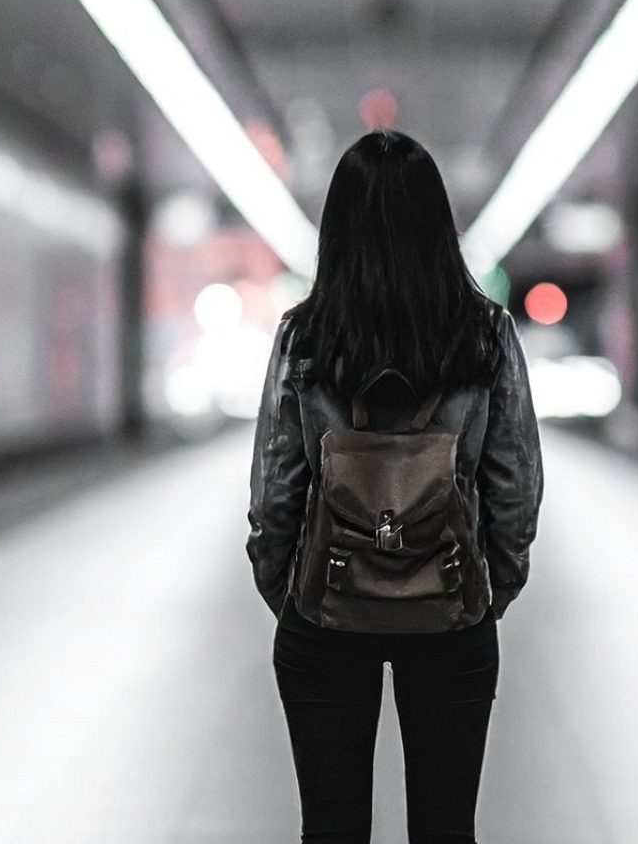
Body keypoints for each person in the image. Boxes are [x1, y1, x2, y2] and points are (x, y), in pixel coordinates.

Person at [246, 129, 544, 844]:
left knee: (332, 829)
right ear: (439, 228)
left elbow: (277, 487)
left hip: (326, 613)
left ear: (338, 231)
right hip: (450, 612)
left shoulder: (305, 337)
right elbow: (515, 489)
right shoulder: (486, 336)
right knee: (445, 830)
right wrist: (485, 593)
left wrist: (290, 591)